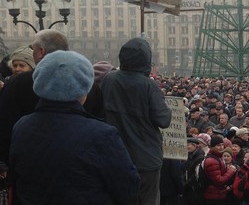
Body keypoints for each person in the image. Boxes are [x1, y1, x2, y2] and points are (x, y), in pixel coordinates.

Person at [9, 50, 140, 204]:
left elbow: (16, 180)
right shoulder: (102, 134)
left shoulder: (21, 127)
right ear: (83, 87)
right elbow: (127, 188)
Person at [101, 37, 172, 204]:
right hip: (146, 160)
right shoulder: (149, 86)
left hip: (116, 155)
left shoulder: (109, 80)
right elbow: (164, 120)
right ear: (146, 60)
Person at [0, 30, 69, 164]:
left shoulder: (18, 83)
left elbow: (4, 125)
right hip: (75, 163)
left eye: (33, 48)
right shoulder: (85, 82)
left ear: (40, 51)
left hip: (29, 162)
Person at [204, 135, 238, 205]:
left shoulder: (217, 157)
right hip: (213, 196)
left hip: (217, 194)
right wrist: (230, 171)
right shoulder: (212, 161)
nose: (221, 147)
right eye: (218, 145)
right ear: (212, 146)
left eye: (222, 145)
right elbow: (219, 181)